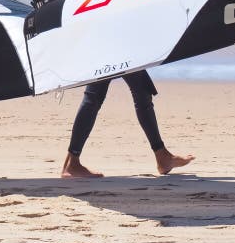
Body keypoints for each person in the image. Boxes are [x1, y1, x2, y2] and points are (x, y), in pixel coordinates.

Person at [61, 70, 195, 178]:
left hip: (117, 47)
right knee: (94, 96)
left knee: (142, 91)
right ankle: (72, 163)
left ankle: (162, 156)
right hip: (111, 48)